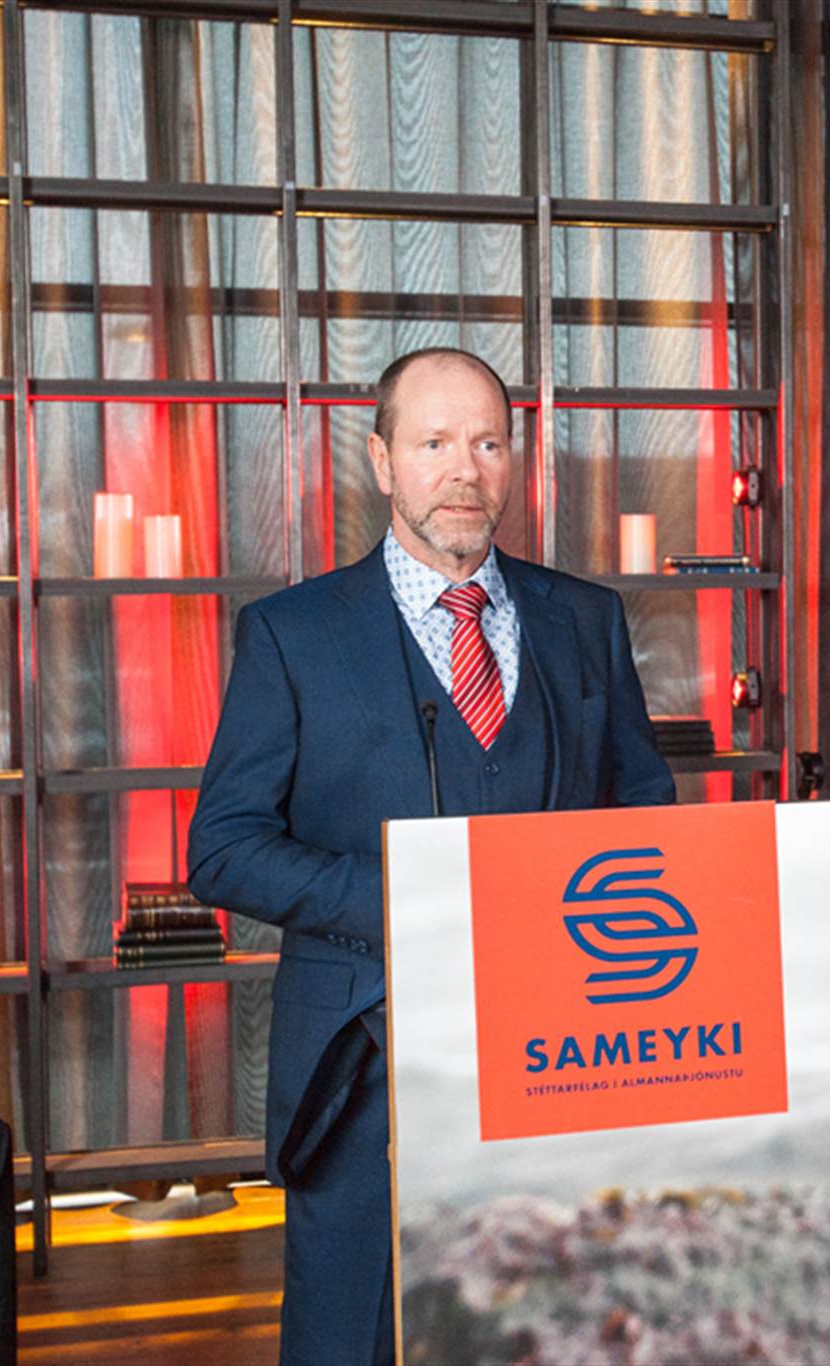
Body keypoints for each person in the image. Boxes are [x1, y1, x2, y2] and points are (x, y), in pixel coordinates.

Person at [187, 347, 675, 1364]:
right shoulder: (291, 634)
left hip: (560, 1055)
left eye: (488, 444)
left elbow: (643, 811)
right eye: (435, 443)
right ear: (381, 461)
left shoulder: (586, 619)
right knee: (350, 1335)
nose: (465, 470)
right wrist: (414, 901)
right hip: (364, 1064)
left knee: (541, 1328)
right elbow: (225, 849)